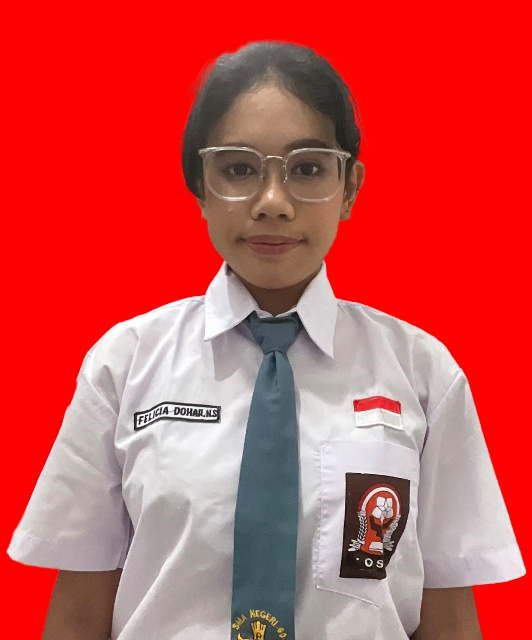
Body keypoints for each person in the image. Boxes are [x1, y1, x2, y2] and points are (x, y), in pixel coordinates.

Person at [7, 41, 525, 640]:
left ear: (350, 187)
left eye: (307, 169)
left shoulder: (423, 374)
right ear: (200, 186)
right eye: (239, 169)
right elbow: (78, 610)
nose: (272, 203)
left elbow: (449, 615)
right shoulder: (123, 366)